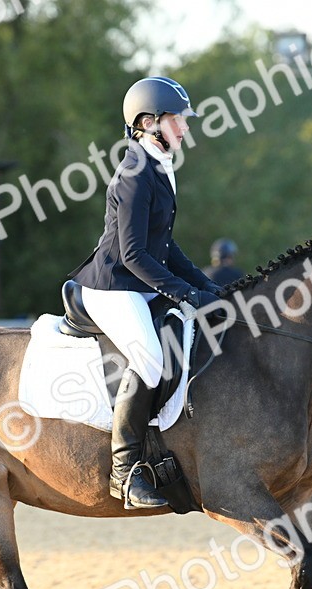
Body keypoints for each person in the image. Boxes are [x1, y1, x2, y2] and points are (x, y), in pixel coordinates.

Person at [68, 76, 222, 510]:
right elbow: (134, 254)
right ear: (148, 122)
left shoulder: (158, 165)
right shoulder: (135, 175)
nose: (186, 127)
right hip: (113, 286)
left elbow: (165, 246)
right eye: (178, 120)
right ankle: (124, 472)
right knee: (151, 358)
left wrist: (207, 286)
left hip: (138, 283)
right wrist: (186, 296)